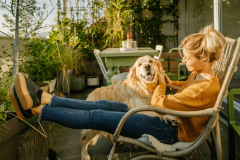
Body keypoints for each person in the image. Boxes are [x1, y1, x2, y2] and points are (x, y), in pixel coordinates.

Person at [10, 25, 226, 144]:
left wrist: (161, 83)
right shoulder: (204, 75)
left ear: (205, 58)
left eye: (187, 58)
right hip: (160, 117)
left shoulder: (204, 87)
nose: (184, 60)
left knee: (97, 118)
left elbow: (161, 104)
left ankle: (36, 109)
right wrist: (172, 82)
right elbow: (188, 89)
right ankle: (43, 97)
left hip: (167, 129)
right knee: (99, 105)